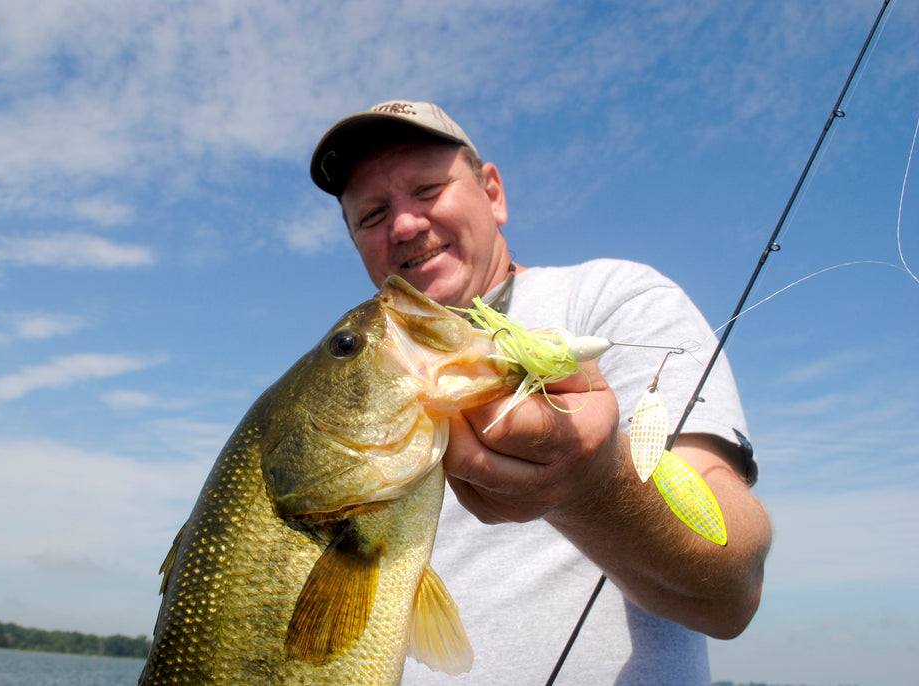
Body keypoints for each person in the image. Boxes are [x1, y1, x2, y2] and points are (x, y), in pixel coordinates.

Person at [310, 100, 772, 685]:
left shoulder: (611, 304)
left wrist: (592, 484)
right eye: (372, 215)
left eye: (427, 189)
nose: (403, 224)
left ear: (493, 193)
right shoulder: (359, 384)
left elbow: (735, 590)